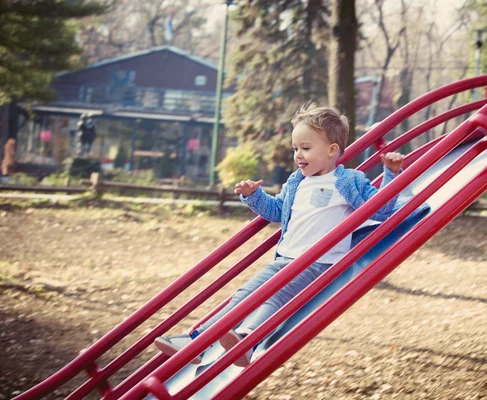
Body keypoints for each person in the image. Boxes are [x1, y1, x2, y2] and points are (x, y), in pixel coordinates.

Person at [155, 104, 406, 367]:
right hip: (285, 257)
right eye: (295, 148)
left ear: (332, 150)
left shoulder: (347, 181)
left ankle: (247, 339)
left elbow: (381, 210)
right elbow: (276, 211)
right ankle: (196, 340)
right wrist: (254, 196)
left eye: (306, 148)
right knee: (244, 295)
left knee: (273, 297)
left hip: (317, 262)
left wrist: (391, 174)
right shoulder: (296, 181)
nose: (298, 155)